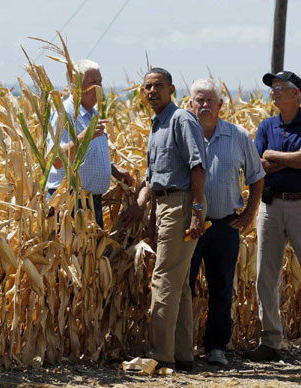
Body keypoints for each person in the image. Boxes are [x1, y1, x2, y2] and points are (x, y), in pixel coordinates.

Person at [122, 67, 207, 372]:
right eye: (146, 87)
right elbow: (151, 177)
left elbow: (198, 167)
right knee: (180, 283)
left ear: (171, 88)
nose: (151, 91)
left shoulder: (181, 119)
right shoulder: (157, 125)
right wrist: (142, 206)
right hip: (165, 205)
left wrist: (197, 211)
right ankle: (182, 356)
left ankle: (160, 356)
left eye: (158, 85)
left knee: (163, 279)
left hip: (182, 204)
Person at [187, 78, 265, 366]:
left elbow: (257, 177)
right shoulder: (185, 136)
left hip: (224, 225)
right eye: (199, 100)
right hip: (191, 226)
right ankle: (183, 346)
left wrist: (249, 214)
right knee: (186, 287)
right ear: (191, 104)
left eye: (210, 100)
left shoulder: (238, 136)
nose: (205, 105)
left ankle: (216, 346)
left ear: (221, 104)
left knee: (221, 288)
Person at [244, 71, 301, 362]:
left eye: (280, 88)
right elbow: (258, 166)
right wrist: (287, 160)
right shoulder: (267, 124)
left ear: (296, 93)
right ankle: (271, 341)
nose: (274, 92)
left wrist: (273, 155)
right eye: (273, 88)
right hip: (270, 206)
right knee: (265, 275)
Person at [46, 59, 133, 228]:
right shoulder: (64, 114)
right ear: (75, 87)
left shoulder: (92, 114)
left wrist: (113, 169)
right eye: (93, 83)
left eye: (100, 82)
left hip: (92, 204)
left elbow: (86, 156)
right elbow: (55, 160)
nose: (99, 88)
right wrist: (85, 137)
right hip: (70, 204)